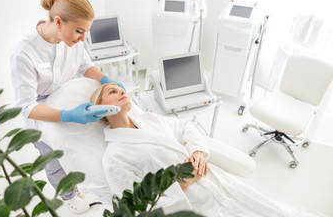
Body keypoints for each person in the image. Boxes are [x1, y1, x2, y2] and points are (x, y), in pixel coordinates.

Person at [91, 83, 328, 217]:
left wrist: (198, 153)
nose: (122, 90)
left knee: (276, 212)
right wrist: (182, 180)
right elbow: (135, 208)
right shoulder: (115, 158)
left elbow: (184, 126)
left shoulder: (149, 120)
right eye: (112, 91)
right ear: (100, 109)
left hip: (218, 181)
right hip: (198, 205)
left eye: (120, 88)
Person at [10, 0, 123, 214]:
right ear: (59, 22)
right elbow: (26, 106)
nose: (83, 38)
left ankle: (79, 187)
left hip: (69, 99)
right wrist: (68, 115)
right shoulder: (24, 52)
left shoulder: (73, 38)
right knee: (53, 158)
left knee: (75, 151)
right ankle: (67, 195)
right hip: (43, 113)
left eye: (85, 32)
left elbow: (84, 65)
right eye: (79, 31)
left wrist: (106, 79)